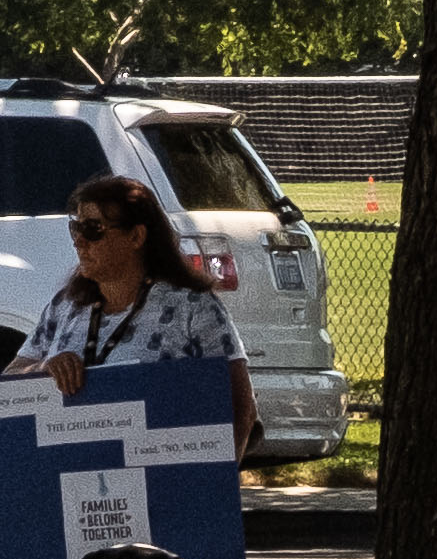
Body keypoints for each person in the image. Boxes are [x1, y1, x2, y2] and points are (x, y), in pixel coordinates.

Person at [3, 169, 253, 451]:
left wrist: (214, 482)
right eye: (76, 227)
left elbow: (240, 408)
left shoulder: (193, 308)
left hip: (160, 476)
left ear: (136, 236)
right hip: (71, 475)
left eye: (93, 229)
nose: (79, 241)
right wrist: (44, 368)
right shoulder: (65, 306)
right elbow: (9, 384)